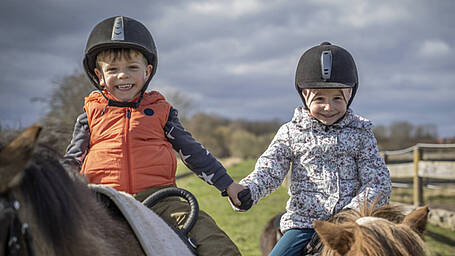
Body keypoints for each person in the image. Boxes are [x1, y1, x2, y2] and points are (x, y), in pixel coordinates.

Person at [63, 16, 243, 256]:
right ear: (99, 75)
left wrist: (228, 185)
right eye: (113, 70)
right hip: (102, 200)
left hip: (159, 200)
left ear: (147, 72)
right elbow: (72, 159)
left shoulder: (162, 111)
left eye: (132, 68)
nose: (123, 76)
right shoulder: (90, 113)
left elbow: (194, 153)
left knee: (216, 243)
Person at [232, 42, 392, 256]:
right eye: (319, 98)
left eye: (337, 98)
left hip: (351, 225)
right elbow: (270, 170)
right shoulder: (291, 132)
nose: (328, 106)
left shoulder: (361, 133)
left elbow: (378, 181)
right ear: (305, 97)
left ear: (349, 96)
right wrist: (249, 190)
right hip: (304, 224)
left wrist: (351, 211)